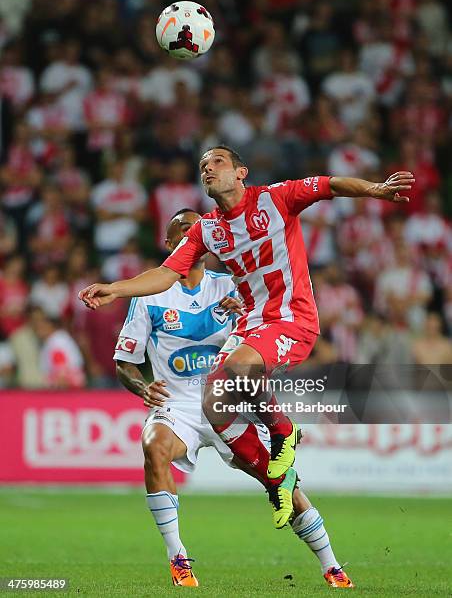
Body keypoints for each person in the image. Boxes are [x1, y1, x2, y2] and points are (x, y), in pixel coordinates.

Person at [79, 145, 414, 535]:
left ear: (241, 172)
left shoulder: (276, 198)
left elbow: (330, 184)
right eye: (203, 165)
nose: (208, 168)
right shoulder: (207, 229)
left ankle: (283, 431)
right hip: (251, 324)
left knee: (237, 369)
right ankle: (278, 482)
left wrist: (375, 190)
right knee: (215, 404)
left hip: (291, 318)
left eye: (217, 161)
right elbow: (166, 274)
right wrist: (117, 290)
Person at [113, 208, 354, 588]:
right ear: (169, 243)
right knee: (153, 447)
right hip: (178, 407)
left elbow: (265, 342)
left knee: (279, 483)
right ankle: (178, 559)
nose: (191, 236)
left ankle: (332, 566)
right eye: (182, 230)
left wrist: (244, 315)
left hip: (228, 403)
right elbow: (124, 362)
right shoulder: (149, 296)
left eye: (197, 231)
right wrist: (143, 387)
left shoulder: (231, 287)